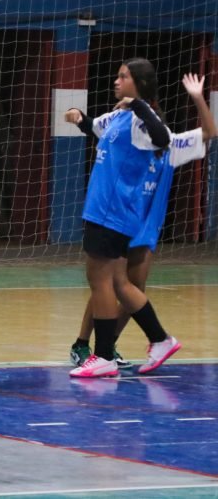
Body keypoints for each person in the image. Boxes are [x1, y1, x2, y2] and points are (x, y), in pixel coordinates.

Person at [67, 72, 216, 369]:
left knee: (120, 284)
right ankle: (89, 346)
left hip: (139, 224)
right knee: (110, 283)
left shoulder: (169, 144)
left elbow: (208, 133)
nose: (117, 81)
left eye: (124, 76)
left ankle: (115, 348)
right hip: (123, 218)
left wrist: (199, 98)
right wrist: (80, 117)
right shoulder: (121, 125)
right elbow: (94, 126)